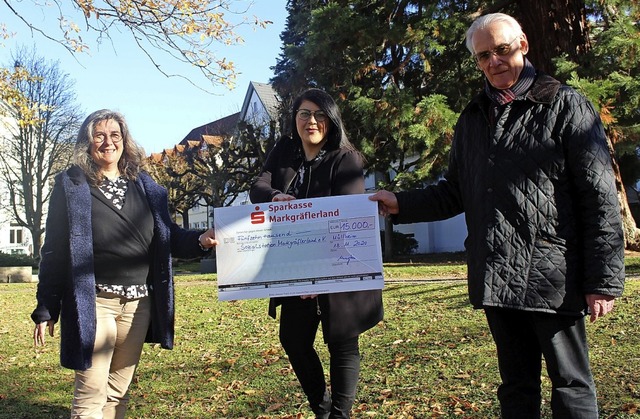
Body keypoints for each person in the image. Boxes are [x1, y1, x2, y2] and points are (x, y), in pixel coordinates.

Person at [370, 13, 624, 419]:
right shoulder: (473, 118)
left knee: (571, 386)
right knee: (516, 388)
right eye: (483, 56)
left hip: (552, 275)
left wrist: (603, 280)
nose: (494, 62)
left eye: (501, 50)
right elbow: (455, 190)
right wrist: (399, 203)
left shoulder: (566, 104)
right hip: (496, 273)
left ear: (522, 44)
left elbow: (599, 197)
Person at [31, 109, 218, 419]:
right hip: (95, 302)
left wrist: (200, 240)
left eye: (115, 135)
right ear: (87, 142)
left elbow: (167, 236)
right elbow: (54, 250)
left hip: (138, 306)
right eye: (99, 136)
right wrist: (46, 307)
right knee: (91, 392)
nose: (108, 142)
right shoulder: (72, 185)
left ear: (124, 141)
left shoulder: (144, 185)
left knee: (118, 393)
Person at [250, 88, 383, 418]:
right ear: (294, 120)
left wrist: (321, 277)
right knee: (293, 340)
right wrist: (276, 196)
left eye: (319, 114)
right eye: (304, 114)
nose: (312, 121)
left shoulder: (345, 159)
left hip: (339, 269)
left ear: (331, 120)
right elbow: (258, 187)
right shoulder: (284, 152)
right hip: (295, 270)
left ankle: (340, 414)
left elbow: (345, 218)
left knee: (342, 341)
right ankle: (321, 409)